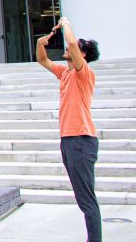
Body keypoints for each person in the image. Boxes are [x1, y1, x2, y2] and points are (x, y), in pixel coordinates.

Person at [37, 16, 102, 242]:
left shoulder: (83, 74)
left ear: (82, 55)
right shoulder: (64, 73)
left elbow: (73, 44)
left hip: (81, 140)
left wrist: (64, 22)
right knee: (82, 197)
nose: (67, 47)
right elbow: (42, 60)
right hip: (68, 140)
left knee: (86, 199)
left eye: (75, 47)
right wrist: (40, 42)